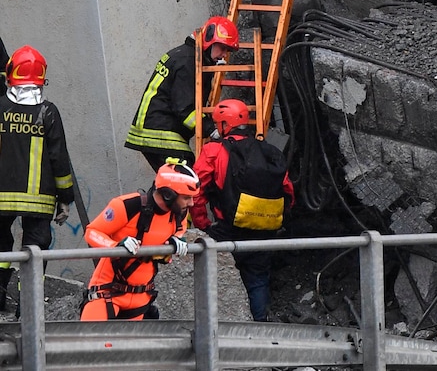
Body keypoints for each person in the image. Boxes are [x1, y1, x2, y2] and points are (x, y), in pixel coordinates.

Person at [192, 99, 294, 322]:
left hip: (227, 229)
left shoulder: (213, 151)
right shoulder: (269, 151)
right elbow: (288, 191)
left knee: (217, 280)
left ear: (224, 125)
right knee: (258, 279)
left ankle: (222, 332)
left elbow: (195, 191)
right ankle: (260, 328)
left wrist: (203, 225)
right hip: (265, 229)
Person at [0, 45, 74, 315]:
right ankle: (28, 311)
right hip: (39, 201)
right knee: (34, 253)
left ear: (10, 76)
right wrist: (65, 199)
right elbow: (59, 159)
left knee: (0, 250)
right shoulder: (48, 113)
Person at [80, 160, 199, 321]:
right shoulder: (127, 205)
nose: (191, 203)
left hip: (141, 298)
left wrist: (177, 240)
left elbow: (179, 230)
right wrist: (115, 246)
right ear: (168, 194)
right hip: (106, 294)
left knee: (133, 347)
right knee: (95, 345)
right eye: (186, 197)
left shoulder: (179, 213)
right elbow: (92, 232)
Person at [125, 17, 239, 170]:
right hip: (159, 131)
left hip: (153, 127)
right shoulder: (188, 62)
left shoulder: (186, 56)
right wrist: (211, 129)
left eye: (228, 50)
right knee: (185, 179)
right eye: (222, 48)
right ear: (209, 39)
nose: (225, 55)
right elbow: (185, 107)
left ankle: (159, 193)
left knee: (174, 182)